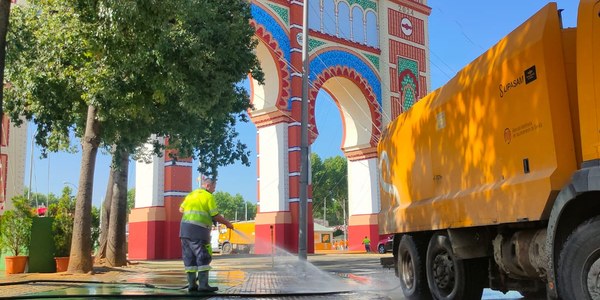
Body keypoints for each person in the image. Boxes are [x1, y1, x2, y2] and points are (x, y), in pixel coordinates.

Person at [180, 176, 233, 293]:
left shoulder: (191, 195)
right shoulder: (209, 196)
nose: (214, 189)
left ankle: (192, 285)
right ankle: (203, 285)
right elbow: (215, 215)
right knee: (202, 256)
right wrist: (228, 223)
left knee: (189, 258)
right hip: (198, 231)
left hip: (184, 231)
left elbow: (181, 209)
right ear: (208, 185)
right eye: (214, 187)